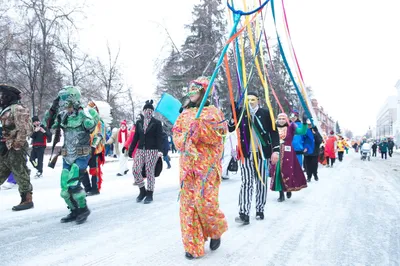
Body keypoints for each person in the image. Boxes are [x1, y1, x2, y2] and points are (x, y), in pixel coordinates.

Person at [172, 76, 227, 260]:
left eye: (195, 89)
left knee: (205, 202)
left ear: (204, 90)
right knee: (188, 206)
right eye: (190, 89)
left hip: (207, 168)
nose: (191, 92)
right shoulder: (185, 114)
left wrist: (201, 129)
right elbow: (177, 135)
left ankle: (215, 230)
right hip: (188, 168)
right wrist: (184, 140)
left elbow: (219, 137)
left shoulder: (214, 113)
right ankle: (192, 246)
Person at [44, 86, 99, 224]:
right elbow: (49, 123)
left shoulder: (88, 112)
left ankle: (83, 209)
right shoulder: (63, 116)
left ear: (74, 101)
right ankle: (74, 210)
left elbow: (90, 125)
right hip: (67, 154)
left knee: (74, 183)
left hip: (81, 154)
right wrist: (54, 106)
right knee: (64, 189)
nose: (65, 106)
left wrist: (82, 112)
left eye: (67, 103)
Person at [228, 91, 280, 224]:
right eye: (248, 99)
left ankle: (260, 209)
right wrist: (233, 116)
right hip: (246, 153)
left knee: (261, 182)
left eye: (253, 99)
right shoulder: (242, 113)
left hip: (262, 154)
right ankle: (244, 213)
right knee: (246, 182)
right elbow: (231, 128)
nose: (250, 102)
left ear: (258, 100)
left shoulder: (265, 113)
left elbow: (274, 133)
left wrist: (275, 150)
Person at [0, 84, 34, 211]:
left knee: (19, 171)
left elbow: (23, 129)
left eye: (3, 95)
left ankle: (27, 199)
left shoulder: (18, 108)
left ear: (9, 96)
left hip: (14, 146)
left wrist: (17, 144)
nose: (1, 97)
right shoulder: (4, 109)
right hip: (3, 146)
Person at [129, 100, 163, 204]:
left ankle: (149, 193)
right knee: (135, 169)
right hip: (140, 150)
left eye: (150, 110)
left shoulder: (156, 123)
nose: (148, 111)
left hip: (152, 150)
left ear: (152, 112)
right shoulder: (139, 123)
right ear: (143, 111)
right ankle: (142, 190)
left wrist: (160, 150)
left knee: (149, 172)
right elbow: (135, 137)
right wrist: (131, 149)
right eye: (146, 109)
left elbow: (159, 137)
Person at [270, 113, 308, 202]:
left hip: (288, 154)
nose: (281, 120)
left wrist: (305, 123)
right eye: (279, 118)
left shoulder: (291, 127)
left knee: (288, 172)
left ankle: (288, 189)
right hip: (276, 153)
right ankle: (281, 194)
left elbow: (302, 131)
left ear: (286, 119)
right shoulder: (273, 128)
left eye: (283, 118)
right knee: (277, 172)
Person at [82, 101, 111, 196]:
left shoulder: (100, 122)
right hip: (84, 149)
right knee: (82, 169)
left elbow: (100, 135)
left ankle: (95, 189)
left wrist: (94, 146)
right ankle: (87, 188)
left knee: (94, 169)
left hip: (95, 150)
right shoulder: (86, 121)